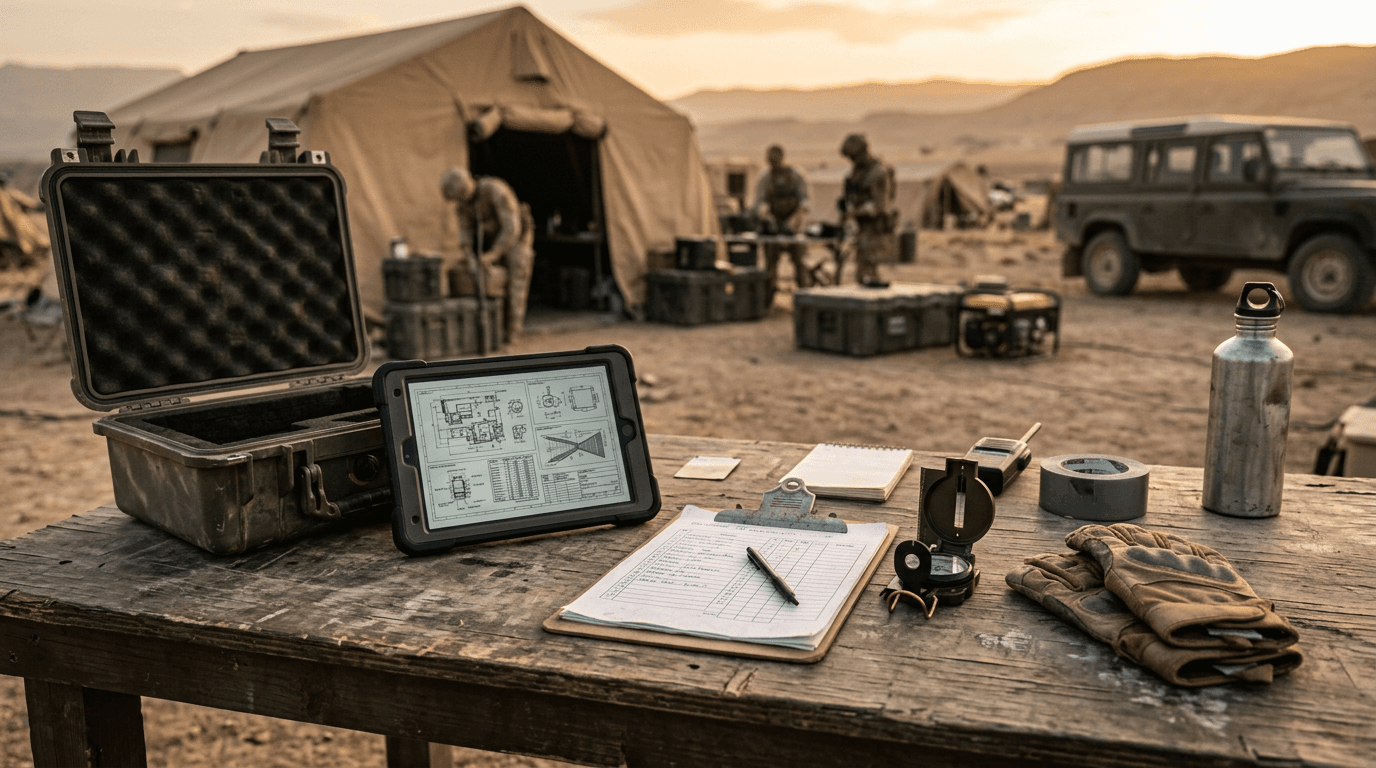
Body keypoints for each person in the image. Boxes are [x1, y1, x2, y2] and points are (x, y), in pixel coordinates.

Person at [440, 167, 535, 340]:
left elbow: (512, 229)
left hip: (517, 236)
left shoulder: (495, 190)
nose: (459, 202)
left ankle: (513, 330)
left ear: (465, 189)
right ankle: (494, 329)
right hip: (493, 238)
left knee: (516, 277)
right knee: (491, 279)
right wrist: (470, 258)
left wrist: (493, 255)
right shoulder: (462, 206)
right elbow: (465, 234)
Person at [752, 144, 810, 301]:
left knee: (800, 264)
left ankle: (805, 298)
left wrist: (795, 220)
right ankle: (768, 297)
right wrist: (766, 215)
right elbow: (759, 203)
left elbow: (805, 201)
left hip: (794, 228)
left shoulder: (796, 175)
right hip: (774, 229)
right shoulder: (765, 177)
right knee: (770, 266)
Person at [839, 133, 896, 284]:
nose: (852, 161)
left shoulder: (877, 173)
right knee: (862, 272)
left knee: (867, 271)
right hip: (860, 227)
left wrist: (854, 212)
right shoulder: (855, 173)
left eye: (854, 157)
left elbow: (878, 206)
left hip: (874, 228)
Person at [0, 173, 48, 271]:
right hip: (15, 225)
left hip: (7, 230)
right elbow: (31, 204)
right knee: (30, 243)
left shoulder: (9, 193)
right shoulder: (9, 193)